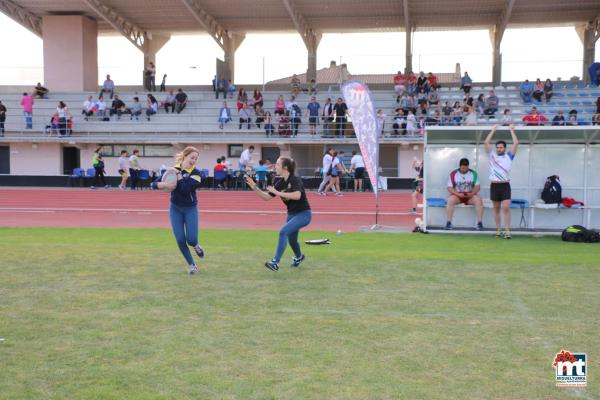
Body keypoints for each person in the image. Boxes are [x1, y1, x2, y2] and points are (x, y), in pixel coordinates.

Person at [245, 157, 311, 271]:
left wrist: (277, 192)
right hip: (291, 214)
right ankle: (299, 257)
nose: (275, 166)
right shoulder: (280, 182)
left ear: (285, 167)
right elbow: (266, 197)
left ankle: (275, 262)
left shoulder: (295, 179)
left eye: (278, 164)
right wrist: (254, 187)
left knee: (283, 232)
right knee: (292, 240)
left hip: (303, 214)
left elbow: (297, 196)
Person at [150, 147, 205, 275]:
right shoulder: (172, 170)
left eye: (196, 159)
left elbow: (186, 189)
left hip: (190, 208)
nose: (194, 160)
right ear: (185, 156)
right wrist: (163, 185)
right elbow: (153, 184)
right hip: (175, 208)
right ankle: (192, 265)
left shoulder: (196, 173)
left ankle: (196, 246)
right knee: (180, 239)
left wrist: (179, 175)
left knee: (191, 239)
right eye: (192, 157)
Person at [484, 124, 519, 239]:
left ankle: (508, 231)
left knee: (506, 208)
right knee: (496, 209)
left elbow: (516, 144)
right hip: (494, 185)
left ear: (504, 148)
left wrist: (512, 130)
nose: (499, 149)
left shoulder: (509, 156)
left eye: (501, 147)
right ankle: (499, 230)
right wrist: (492, 130)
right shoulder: (492, 155)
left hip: (505, 185)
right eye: (498, 147)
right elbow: (486, 143)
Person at [445, 158, 483, 230]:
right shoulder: (453, 174)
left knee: (478, 199)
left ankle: (479, 223)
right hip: (458, 196)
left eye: (466, 168)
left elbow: (477, 187)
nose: (464, 170)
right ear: (460, 166)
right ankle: (448, 222)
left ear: (468, 166)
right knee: (450, 200)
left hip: (470, 196)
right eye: (462, 168)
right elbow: (449, 187)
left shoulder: (473, 173)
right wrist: (458, 194)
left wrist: (472, 193)